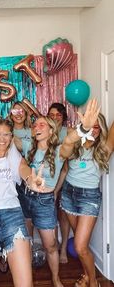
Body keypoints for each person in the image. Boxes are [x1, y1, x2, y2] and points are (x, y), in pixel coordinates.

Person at [16, 99, 100, 287]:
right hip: (25, 197)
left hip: (44, 201)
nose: (37, 126)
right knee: (25, 241)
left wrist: (83, 129)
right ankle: (26, 275)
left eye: (42, 124)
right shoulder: (28, 145)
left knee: (51, 245)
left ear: (52, 130)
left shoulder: (59, 151)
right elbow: (21, 165)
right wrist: (30, 178)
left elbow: (70, 140)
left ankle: (55, 278)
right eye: (35, 124)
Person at [0, 119, 45, 287]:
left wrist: (31, 180)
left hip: (12, 215)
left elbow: (24, 169)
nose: (2, 138)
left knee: (25, 284)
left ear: (12, 137)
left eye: (6, 134)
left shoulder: (15, 157)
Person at [61, 112, 114, 287]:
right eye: (91, 125)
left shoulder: (104, 147)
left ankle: (93, 282)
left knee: (80, 247)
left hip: (88, 198)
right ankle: (86, 275)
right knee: (79, 242)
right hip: (69, 194)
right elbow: (64, 147)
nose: (94, 129)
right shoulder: (74, 143)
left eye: (98, 126)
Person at [47, 102, 71, 264]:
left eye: (58, 115)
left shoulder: (68, 133)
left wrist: (58, 188)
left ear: (63, 118)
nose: (55, 118)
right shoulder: (44, 131)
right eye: (52, 115)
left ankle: (63, 250)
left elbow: (66, 164)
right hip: (47, 180)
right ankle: (53, 248)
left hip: (64, 180)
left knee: (63, 216)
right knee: (50, 217)